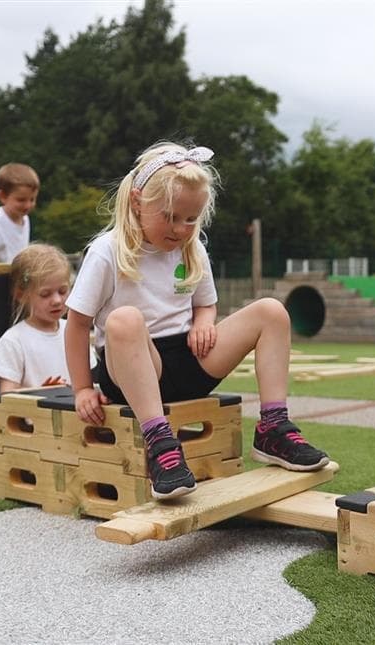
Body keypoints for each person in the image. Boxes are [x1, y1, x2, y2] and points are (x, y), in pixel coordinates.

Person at [64, 142, 329, 501]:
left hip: (188, 357)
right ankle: (159, 443)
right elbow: (77, 324)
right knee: (125, 319)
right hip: (132, 368)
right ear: (137, 202)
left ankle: (273, 427)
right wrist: (82, 388)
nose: (181, 228)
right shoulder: (107, 251)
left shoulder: (192, 248)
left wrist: (205, 322)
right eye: (171, 216)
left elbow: (206, 305)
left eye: (191, 219)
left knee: (270, 310)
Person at [0, 243, 92, 393]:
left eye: (62, 291)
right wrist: (42, 393)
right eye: (45, 294)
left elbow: (92, 381)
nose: (57, 300)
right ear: (21, 295)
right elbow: (6, 396)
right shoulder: (14, 340)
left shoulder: (75, 331)